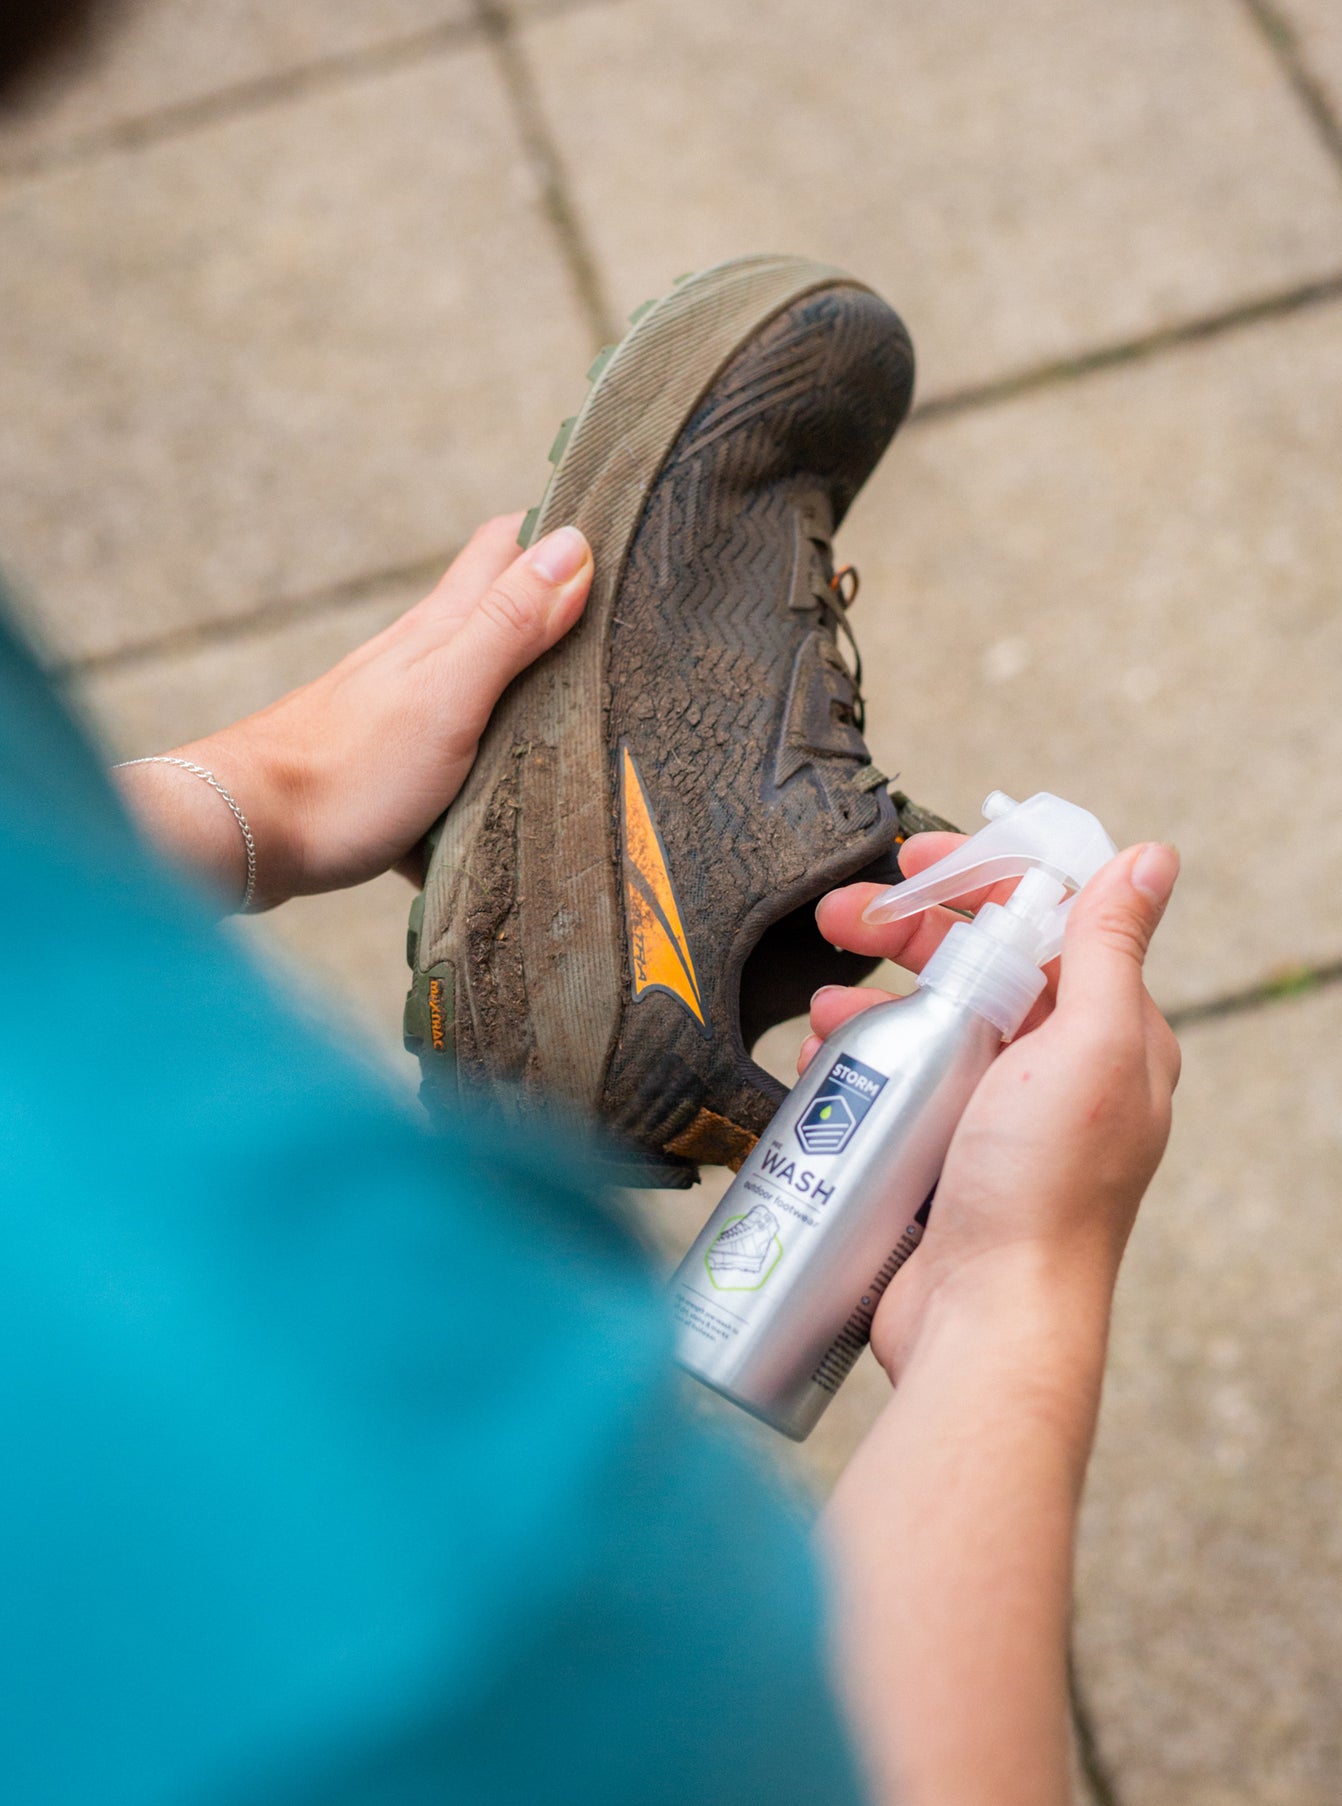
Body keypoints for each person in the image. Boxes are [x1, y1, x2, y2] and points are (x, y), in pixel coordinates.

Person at [2, 12, 1180, 1805]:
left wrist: (259, 799)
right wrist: (1016, 1302)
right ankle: (645, 966)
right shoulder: (411, 1573)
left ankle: (650, 957)